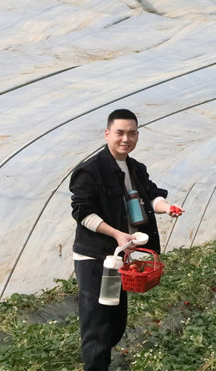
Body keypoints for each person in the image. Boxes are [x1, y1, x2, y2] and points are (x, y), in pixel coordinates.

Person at [69, 109, 184, 371]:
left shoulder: (136, 168)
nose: (126, 139)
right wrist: (116, 233)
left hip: (121, 257)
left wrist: (167, 207)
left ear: (137, 135)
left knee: (115, 320)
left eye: (132, 133)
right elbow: (83, 213)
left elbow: (152, 196)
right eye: (120, 132)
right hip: (96, 257)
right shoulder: (90, 170)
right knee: (98, 320)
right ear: (107, 133)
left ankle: (101, 359)